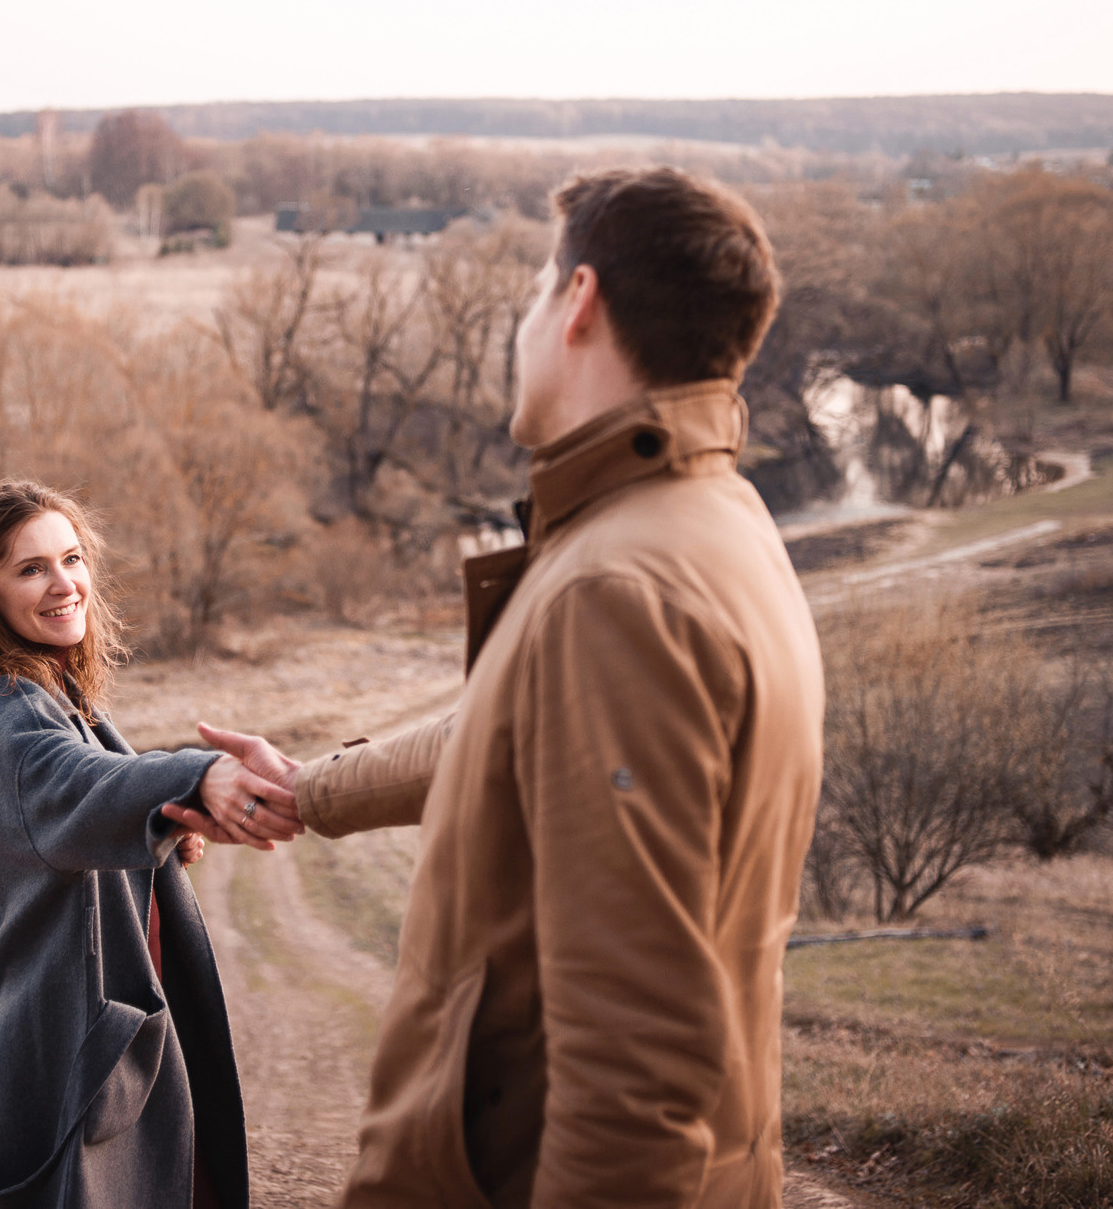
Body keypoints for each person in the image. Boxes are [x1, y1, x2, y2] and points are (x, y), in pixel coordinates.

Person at [179, 167, 824, 1207]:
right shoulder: (712, 521)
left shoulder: (615, 586)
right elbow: (518, 728)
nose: (522, 320)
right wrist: (312, 789)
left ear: (576, 303)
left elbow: (635, 1060)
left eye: (534, 288)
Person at [0, 479, 302, 1209]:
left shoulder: (52, 696)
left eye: (73, 558)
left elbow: (94, 800)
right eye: (31, 568)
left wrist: (164, 824)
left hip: (114, 1054)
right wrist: (197, 774)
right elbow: (73, 785)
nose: (65, 584)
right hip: (74, 1070)